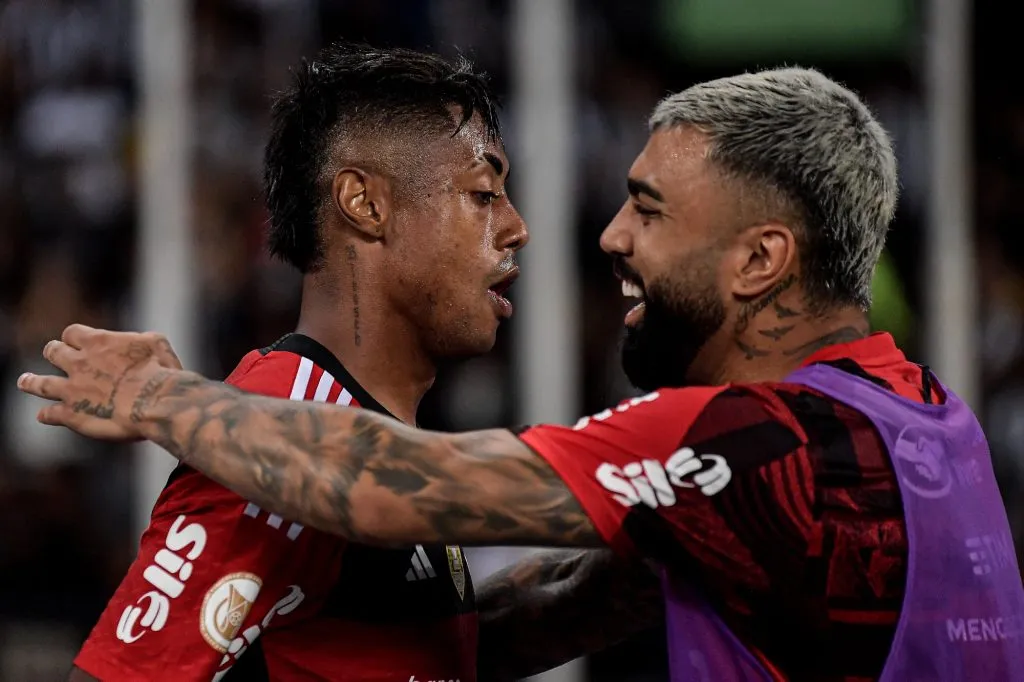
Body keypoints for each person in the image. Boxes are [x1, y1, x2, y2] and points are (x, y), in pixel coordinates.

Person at [22, 67, 1024, 681]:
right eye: (482, 192)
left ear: (760, 261)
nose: (599, 233)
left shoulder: (753, 438)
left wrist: (162, 394)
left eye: (650, 210)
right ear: (365, 207)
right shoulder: (931, 422)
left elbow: (401, 485)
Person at [54, 41, 542, 682]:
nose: (516, 228)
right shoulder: (284, 424)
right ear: (365, 205)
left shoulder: (367, 425)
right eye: (483, 195)